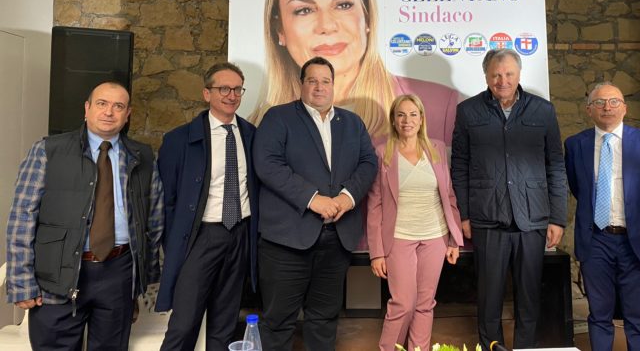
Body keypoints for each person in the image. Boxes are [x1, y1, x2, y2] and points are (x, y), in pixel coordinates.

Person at [5, 81, 163, 351]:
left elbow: (154, 221)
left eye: (118, 106)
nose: (109, 112)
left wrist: (141, 282)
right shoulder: (47, 151)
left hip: (119, 273)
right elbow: (22, 219)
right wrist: (21, 282)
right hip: (57, 275)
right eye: (102, 104)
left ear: (128, 114)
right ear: (87, 108)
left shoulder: (142, 156)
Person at [250, 0, 459, 144]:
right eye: (304, 10)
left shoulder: (440, 105)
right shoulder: (258, 126)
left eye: (343, 5)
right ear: (279, 29)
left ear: (367, 17)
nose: (327, 25)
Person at [253, 56, 377, 350]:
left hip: (336, 240)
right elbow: (267, 164)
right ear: (301, 84)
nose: (319, 87)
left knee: (324, 320)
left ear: (334, 85)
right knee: (278, 321)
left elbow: (368, 163)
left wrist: (347, 198)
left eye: (325, 81)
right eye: (312, 80)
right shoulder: (278, 118)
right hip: (286, 241)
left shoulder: (352, 123)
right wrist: (313, 199)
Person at [451, 48, 567, 349]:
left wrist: (557, 218)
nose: (502, 81)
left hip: (533, 218)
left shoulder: (543, 111)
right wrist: (464, 214)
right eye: (496, 75)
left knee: (529, 297)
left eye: (508, 74)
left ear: (518, 75)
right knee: (489, 298)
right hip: (487, 219)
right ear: (486, 76)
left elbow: (555, 165)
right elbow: (459, 166)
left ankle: (525, 348)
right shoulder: (468, 112)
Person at [156, 62, 258, 351]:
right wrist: (175, 243)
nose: (231, 95)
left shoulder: (251, 135)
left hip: (239, 234)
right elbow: (167, 201)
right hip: (200, 238)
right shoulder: (178, 140)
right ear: (206, 93)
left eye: (237, 89)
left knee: (225, 325)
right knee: (183, 325)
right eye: (223, 88)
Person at [565, 82, 640, 351]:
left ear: (625, 108)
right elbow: (578, 188)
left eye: (614, 101)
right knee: (599, 314)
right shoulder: (575, 145)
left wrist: (636, 217)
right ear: (589, 110)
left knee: (638, 316)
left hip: (636, 241)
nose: (607, 107)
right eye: (599, 102)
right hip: (596, 240)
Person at [367, 94, 463, 351]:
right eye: (401, 115)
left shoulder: (437, 149)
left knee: (425, 303)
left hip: (435, 237)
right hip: (399, 238)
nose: (407, 120)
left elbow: (449, 196)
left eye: (412, 114)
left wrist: (454, 240)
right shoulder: (383, 153)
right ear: (393, 120)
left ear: (421, 119)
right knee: (402, 303)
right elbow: (375, 205)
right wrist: (377, 253)